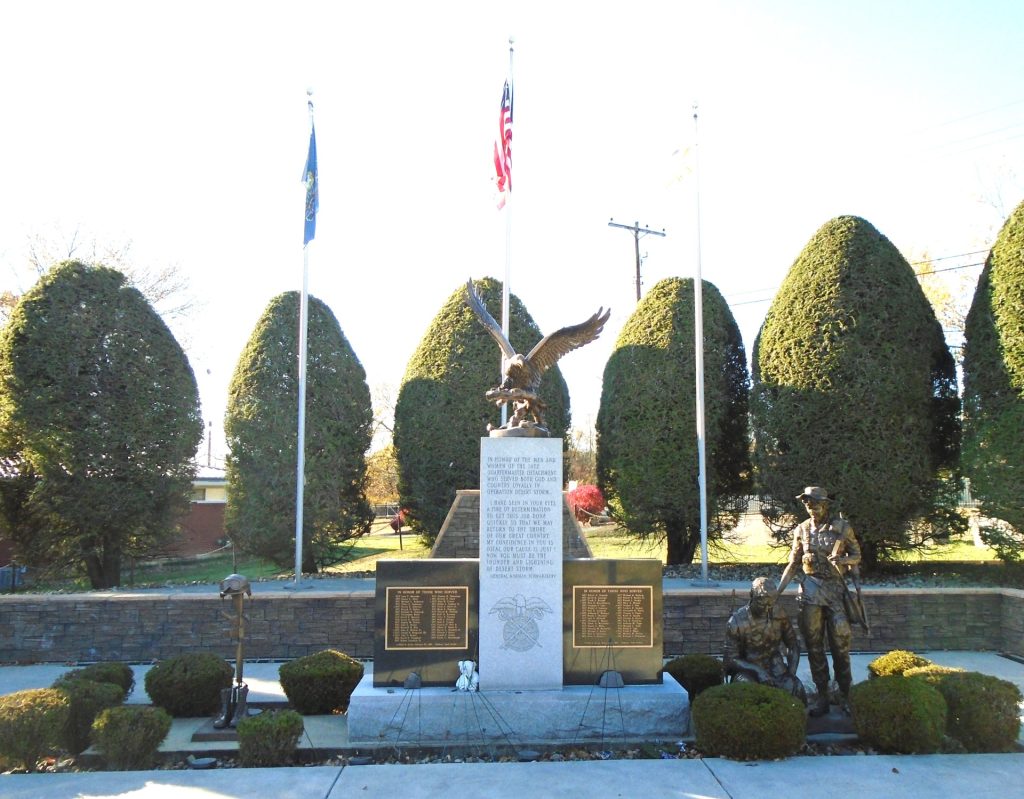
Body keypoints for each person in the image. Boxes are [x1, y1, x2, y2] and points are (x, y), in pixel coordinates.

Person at [776, 486, 861, 716]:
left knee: (840, 645)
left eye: (815, 503)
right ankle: (822, 696)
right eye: (807, 504)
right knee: (814, 648)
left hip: (834, 592)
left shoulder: (841, 528)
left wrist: (842, 559)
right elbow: (793, 563)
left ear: (825, 504)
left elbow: (857, 555)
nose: (811, 507)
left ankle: (846, 695)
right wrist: (776, 593)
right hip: (810, 592)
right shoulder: (801, 530)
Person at [724, 577, 807, 704]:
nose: (767, 609)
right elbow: (730, 660)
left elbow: (793, 644)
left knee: (796, 689)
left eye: (771, 604)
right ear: (752, 596)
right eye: (763, 604)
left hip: (776, 669)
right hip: (748, 672)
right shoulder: (736, 622)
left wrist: (791, 673)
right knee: (749, 694)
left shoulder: (779, 613)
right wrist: (757, 671)